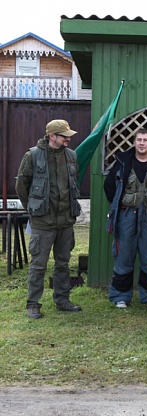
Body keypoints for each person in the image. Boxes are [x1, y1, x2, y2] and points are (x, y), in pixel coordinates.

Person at [16, 119, 83, 319]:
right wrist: (33, 207)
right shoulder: (32, 155)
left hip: (65, 220)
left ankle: (62, 300)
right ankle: (33, 303)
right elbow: (21, 185)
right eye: (64, 136)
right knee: (38, 265)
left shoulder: (71, 156)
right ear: (52, 136)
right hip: (42, 221)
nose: (68, 139)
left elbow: (74, 182)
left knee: (63, 263)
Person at [104, 128, 147, 309]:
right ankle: (120, 297)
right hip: (126, 215)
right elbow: (109, 186)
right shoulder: (123, 161)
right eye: (139, 140)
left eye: (145, 140)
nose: (141, 143)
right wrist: (117, 205)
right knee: (124, 255)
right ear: (134, 142)